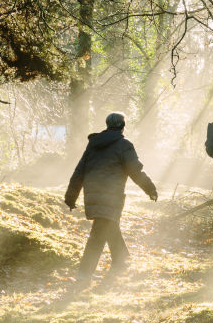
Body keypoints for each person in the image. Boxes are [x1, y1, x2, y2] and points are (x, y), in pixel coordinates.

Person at [64, 112, 157, 287]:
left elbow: (79, 172)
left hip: (93, 194)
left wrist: (71, 197)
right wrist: (150, 189)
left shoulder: (93, 145)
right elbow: (135, 171)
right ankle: (83, 275)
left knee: (109, 226)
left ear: (107, 125)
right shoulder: (124, 145)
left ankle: (122, 261)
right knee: (98, 234)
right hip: (112, 195)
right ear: (123, 126)